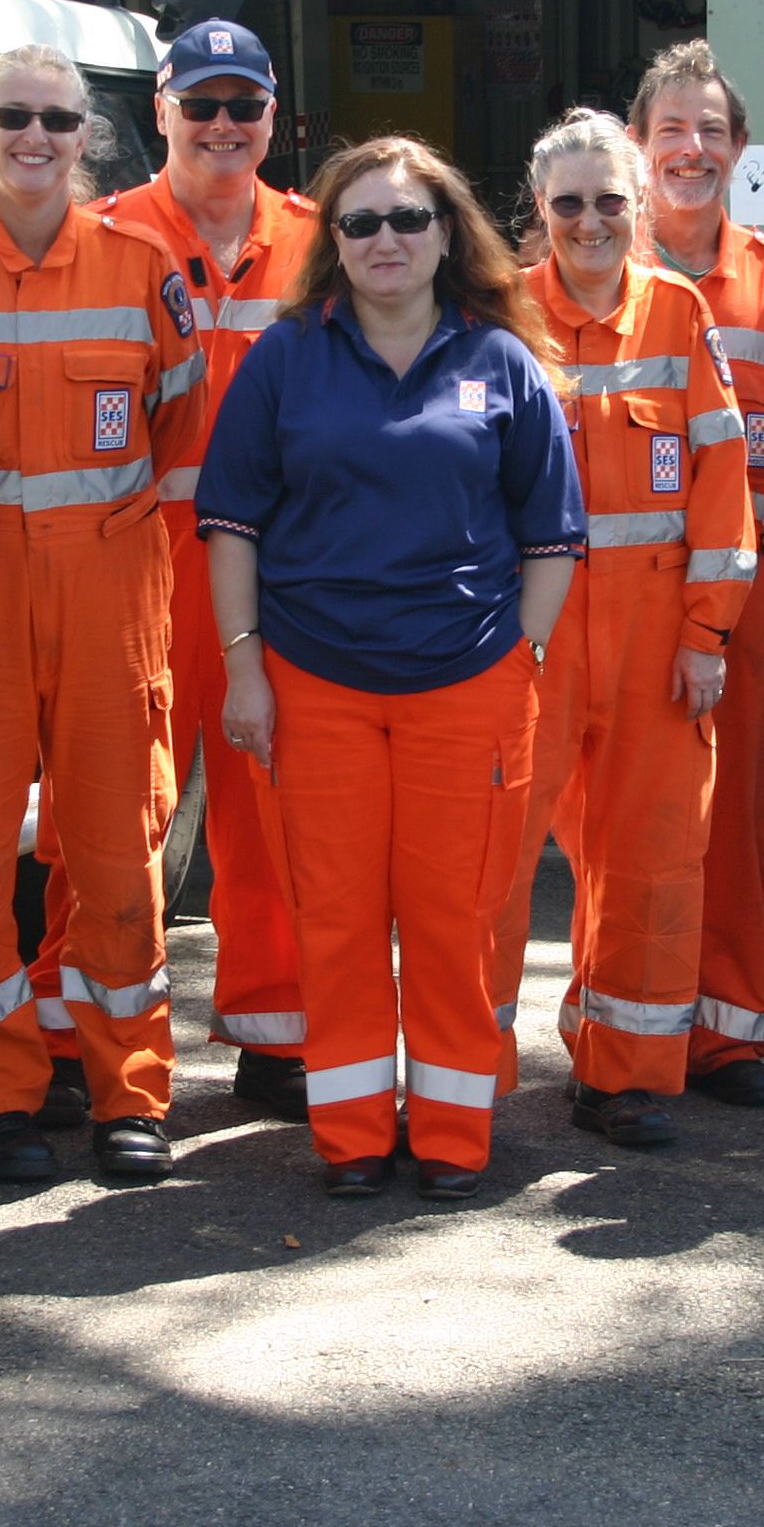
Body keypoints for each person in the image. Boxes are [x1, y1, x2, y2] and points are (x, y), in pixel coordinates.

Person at [195, 136, 582, 1203]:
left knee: (454, 913)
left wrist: (523, 657)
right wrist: (246, 670)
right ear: (333, 243)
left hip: (467, 684)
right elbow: (230, 523)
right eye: (359, 222)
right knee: (339, 914)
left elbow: (554, 532)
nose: (385, 240)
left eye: (408, 219)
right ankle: (354, 1133)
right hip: (316, 681)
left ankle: (455, 1134)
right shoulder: (285, 357)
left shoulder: (500, 360)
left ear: (447, 232)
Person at [0, 43, 204, 1185]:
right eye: (13, 116)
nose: (36, 137)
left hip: (107, 591)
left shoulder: (139, 267)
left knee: (119, 848)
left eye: (59, 120)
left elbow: (178, 424)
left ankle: (129, 1089)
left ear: (89, 137)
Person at [494, 109, 753, 1147]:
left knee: (650, 857)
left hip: (655, 642)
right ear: (539, 209)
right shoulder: (499, 318)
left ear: (639, 207)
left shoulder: (681, 316)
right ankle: (469, 1071)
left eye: (611, 200)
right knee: (491, 858)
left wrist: (706, 635)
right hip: (530, 637)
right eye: (568, 203)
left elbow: (724, 488)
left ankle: (625, 1071)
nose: (591, 221)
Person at [86, 20, 323, 1121]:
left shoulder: (323, 243)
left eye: (245, 106)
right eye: (202, 105)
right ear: (161, 113)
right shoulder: (106, 235)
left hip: (276, 575)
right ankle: (76, 1037)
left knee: (272, 810)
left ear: (275, 118)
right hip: (132, 569)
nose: (223, 127)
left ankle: (279, 1032)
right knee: (114, 811)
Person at [629, 42, 764, 1107]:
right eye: (671, 130)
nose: (691, 149)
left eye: (711, 131)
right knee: (628, 822)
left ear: (739, 149)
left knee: (746, 811)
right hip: (629, 595)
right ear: (639, 144)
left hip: (753, 586)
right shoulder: (590, 264)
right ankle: (625, 1029)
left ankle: (732, 1034)